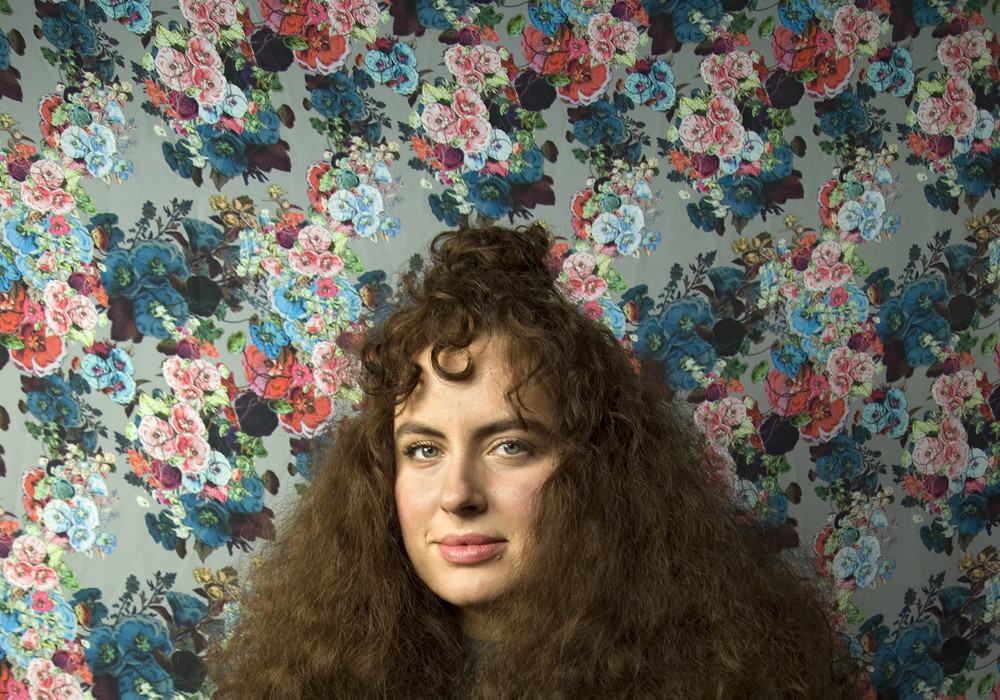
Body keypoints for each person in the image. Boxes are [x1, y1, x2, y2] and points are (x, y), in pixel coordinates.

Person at [211, 224, 864, 699]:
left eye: (510, 445)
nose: (458, 493)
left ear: (596, 471)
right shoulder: (314, 677)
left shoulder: (716, 678)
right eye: (424, 449)